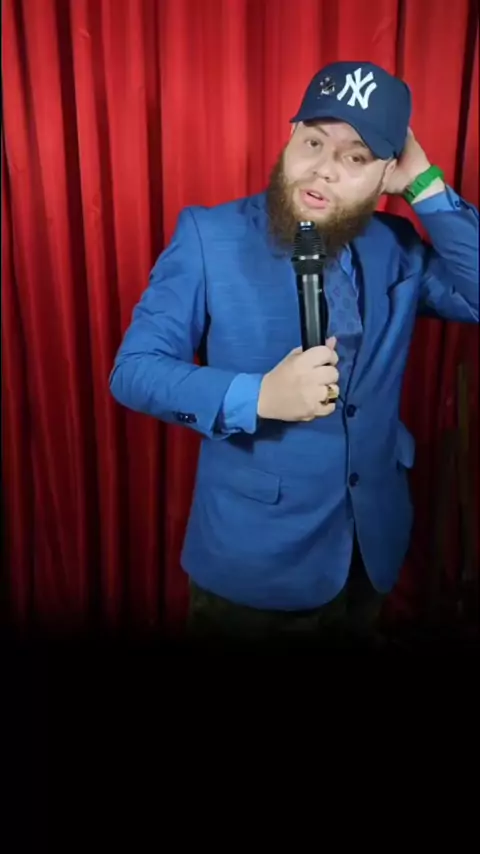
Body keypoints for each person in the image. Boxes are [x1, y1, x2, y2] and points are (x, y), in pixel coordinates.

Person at [110, 61, 479, 649]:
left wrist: (425, 186)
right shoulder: (209, 236)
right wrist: (258, 395)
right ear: (290, 137)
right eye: (313, 143)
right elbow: (134, 371)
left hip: (371, 548)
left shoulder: (399, 247)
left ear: (387, 172)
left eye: (356, 157)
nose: (323, 169)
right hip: (256, 561)